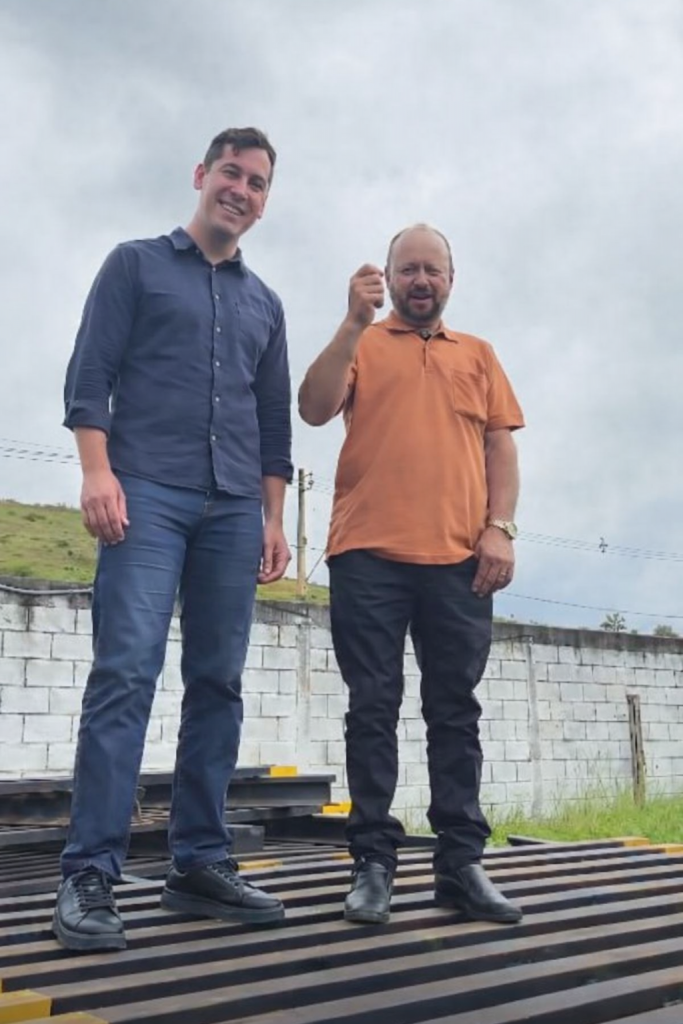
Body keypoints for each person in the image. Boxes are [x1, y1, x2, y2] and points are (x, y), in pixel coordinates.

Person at [54, 127, 293, 952]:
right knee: (125, 673)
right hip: (146, 495)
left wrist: (272, 518)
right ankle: (90, 872)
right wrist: (97, 473)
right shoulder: (134, 265)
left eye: (256, 182)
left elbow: (272, 425)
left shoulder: (265, 304)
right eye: (231, 172)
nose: (241, 190)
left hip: (233, 509)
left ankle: (199, 863)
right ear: (201, 175)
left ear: (264, 201)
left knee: (218, 682)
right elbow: (89, 377)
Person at [299, 224, 525, 925]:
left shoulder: (478, 354)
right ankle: (372, 863)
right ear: (389, 277)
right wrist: (351, 321)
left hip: (459, 561)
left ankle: (460, 864)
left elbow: (499, 447)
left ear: (450, 279)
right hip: (366, 555)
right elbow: (312, 408)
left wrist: (500, 528)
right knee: (372, 707)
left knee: (454, 712)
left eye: (432, 269)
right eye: (407, 269)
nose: (420, 280)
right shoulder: (362, 343)